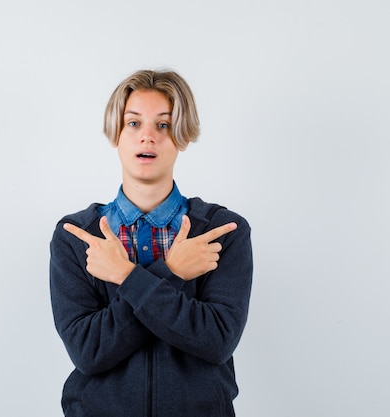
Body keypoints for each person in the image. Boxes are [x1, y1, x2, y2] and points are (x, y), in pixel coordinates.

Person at [49, 69, 253, 417]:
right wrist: (172, 270)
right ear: (116, 133)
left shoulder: (221, 231)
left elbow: (216, 341)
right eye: (133, 123)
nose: (148, 137)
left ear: (182, 136)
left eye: (163, 125)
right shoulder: (77, 236)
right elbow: (88, 352)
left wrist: (127, 276)